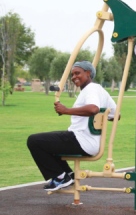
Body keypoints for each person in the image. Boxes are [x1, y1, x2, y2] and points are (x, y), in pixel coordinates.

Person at [27, 61, 117, 192]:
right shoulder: (100, 90)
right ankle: (68, 175)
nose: (74, 77)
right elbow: (116, 115)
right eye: (73, 74)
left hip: (81, 140)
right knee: (49, 143)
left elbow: (93, 108)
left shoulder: (90, 90)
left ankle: (60, 177)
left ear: (88, 73)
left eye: (77, 73)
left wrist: (66, 110)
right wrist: (100, 117)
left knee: (34, 141)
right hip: (91, 142)